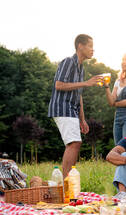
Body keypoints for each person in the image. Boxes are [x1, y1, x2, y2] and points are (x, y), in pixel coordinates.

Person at [48, 34, 102, 178]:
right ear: (80, 46)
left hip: (72, 110)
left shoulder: (81, 68)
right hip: (62, 107)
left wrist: (82, 119)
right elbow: (59, 85)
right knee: (74, 143)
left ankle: (69, 182)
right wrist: (86, 83)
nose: (93, 50)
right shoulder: (68, 62)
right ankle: (67, 183)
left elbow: (79, 95)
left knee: (75, 144)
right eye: (90, 46)